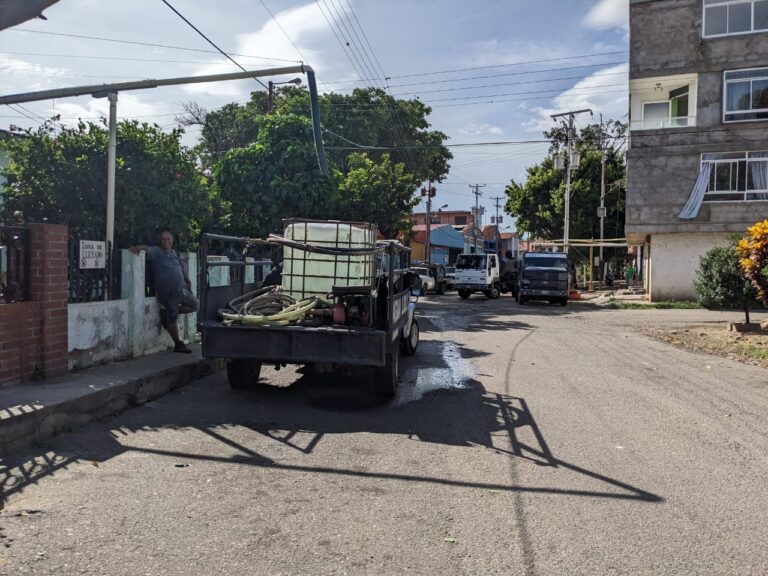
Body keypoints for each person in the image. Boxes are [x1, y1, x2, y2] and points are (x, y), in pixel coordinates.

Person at [130, 230, 198, 353]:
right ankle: (178, 344)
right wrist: (136, 248)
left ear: (172, 241)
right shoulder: (157, 251)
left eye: (168, 239)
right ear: (160, 241)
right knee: (172, 318)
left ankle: (167, 314)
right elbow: (146, 248)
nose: (166, 241)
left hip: (182, 289)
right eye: (163, 239)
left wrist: (188, 280)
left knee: (195, 305)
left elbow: (180, 268)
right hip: (169, 292)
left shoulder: (173, 253)